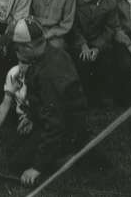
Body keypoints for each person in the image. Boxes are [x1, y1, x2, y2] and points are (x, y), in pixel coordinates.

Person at [5, 18, 88, 188]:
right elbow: (42, 103)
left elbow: (55, 123)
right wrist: (31, 117)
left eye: (16, 49)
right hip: (55, 120)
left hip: (66, 128)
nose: (15, 53)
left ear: (29, 47)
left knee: (16, 163)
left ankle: (68, 154)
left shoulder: (49, 74)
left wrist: (37, 167)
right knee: (12, 149)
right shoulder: (48, 54)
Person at [70, 0, 116, 104]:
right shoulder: (75, 1)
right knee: (81, 60)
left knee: (106, 60)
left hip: (100, 42)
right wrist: (83, 45)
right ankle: (83, 96)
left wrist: (97, 47)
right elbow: (74, 27)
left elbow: (110, 29)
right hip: (79, 42)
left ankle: (104, 96)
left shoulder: (109, 5)